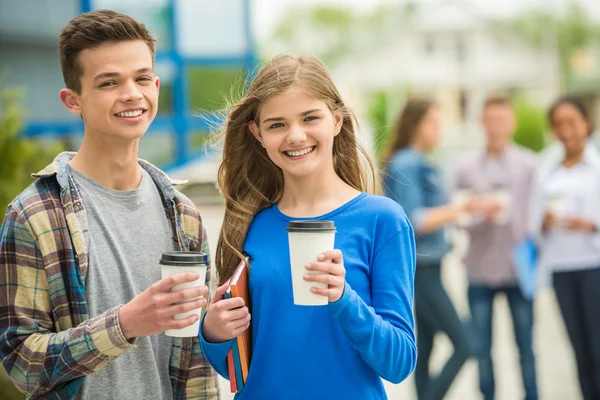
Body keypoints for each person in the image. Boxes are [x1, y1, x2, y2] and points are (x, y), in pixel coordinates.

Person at [0, 10, 219, 400]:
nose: (132, 93)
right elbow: (21, 362)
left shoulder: (183, 215)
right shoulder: (34, 215)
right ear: (73, 100)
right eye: (109, 82)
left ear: (155, 84)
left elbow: (196, 361)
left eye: (141, 78)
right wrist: (125, 324)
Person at [199, 54, 417, 399]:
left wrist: (344, 299)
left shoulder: (383, 220)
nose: (295, 136)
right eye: (277, 124)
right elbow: (233, 368)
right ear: (257, 134)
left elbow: (399, 362)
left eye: (309, 118)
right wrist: (212, 331)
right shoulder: (246, 222)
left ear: (337, 121)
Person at [383, 99, 480, 400]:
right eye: (433, 123)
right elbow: (415, 219)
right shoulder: (406, 162)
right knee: (466, 344)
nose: (439, 130)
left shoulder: (419, 160)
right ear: (416, 124)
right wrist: (459, 208)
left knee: (424, 349)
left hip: (429, 267)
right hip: (421, 272)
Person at [453, 96, 538, 400]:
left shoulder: (530, 165)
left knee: (526, 346)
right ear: (481, 123)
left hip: (519, 267)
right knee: (481, 348)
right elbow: (457, 214)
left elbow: (538, 213)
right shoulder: (464, 168)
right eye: (491, 120)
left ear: (511, 123)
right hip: (479, 268)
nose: (497, 127)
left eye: (503, 120)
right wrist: (478, 213)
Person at [529, 96, 600, 400]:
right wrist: (543, 221)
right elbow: (532, 222)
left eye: (572, 122)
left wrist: (592, 225)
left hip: (593, 264)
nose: (566, 130)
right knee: (579, 349)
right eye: (558, 124)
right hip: (560, 267)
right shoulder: (547, 171)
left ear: (586, 124)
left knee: (598, 349)